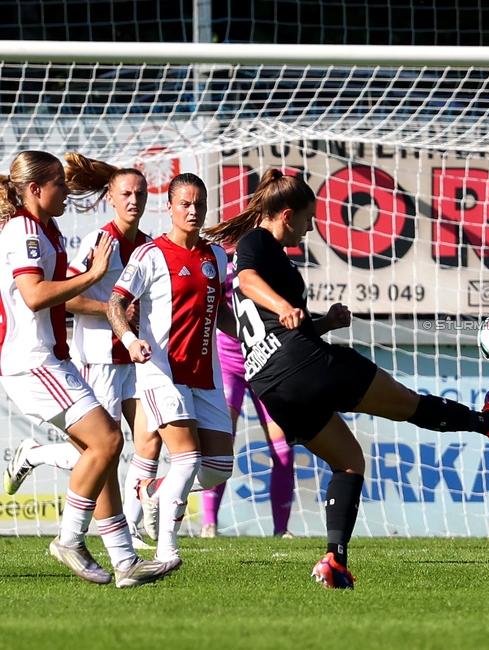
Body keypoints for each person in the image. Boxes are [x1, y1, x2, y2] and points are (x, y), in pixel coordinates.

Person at [203, 169, 489, 589]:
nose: (310, 227)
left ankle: (335, 560)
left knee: (348, 462)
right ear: (287, 215)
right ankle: (488, 422)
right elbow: (249, 281)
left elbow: (262, 326)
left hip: (272, 385)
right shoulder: (257, 242)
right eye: (308, 218)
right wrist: (283, 305)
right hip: (305, 367)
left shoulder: (264, 250)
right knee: (409, 405)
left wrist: (323, 323)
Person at [0, 150, 179, 587]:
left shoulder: (50, 229)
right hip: (33, 361)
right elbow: (36, 295)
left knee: (104, 451)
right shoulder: (22, 228)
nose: (67, 190)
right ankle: (69, 538)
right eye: (59, 183)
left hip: (53, 358)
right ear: (34, 190)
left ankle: (123, 560)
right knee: (108, 441)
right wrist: (96, 274)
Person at [107, 173, 236, 565]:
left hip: (205, 376)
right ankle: (167, 549)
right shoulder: (150, 254)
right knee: (187, 458)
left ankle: (152, 491)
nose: (193, 211)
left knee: (219, 468)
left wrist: (251, 332)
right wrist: (131, 341)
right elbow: (116, 302)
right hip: (162, 372)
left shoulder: (216, 256)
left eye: (199, 204)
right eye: (185, 204)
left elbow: (218, 313)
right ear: (170, 207)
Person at [199, 256, 294, 539]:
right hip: (228, 365)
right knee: (221, 443)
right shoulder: (222, 265)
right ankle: (209, 524)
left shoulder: (277, 266)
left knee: (284, 450)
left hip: (266, 362)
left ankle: (281, 530)